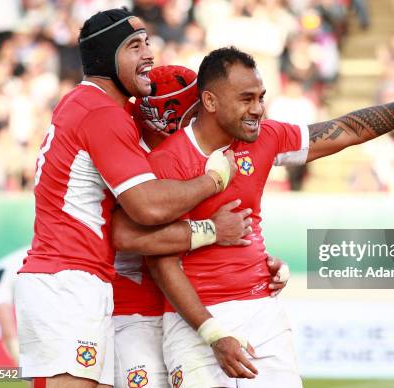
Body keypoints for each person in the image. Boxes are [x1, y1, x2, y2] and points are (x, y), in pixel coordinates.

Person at [115, 46, 394, 387]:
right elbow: (162, 264)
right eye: (246, 99)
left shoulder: (264, 137)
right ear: (209, 101)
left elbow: (346, 130)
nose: (258, 109)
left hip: (263, 311)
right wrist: (214, 334)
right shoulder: (166, 163)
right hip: (195, 323)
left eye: (260, 97)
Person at [13, 9, 245, 388]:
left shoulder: (91, 105)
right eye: (134, 46)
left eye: (148, 43)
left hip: (75, 280)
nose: (149, 55)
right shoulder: (101, 112)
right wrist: (212, 182)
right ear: (106, 57)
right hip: (67, 280)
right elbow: (148, 206)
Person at [110, 65, 290, 388]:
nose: (203, 114)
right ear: (169, 112)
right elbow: (127, 235)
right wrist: (212, 227)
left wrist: (261, 263)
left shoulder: (197, 151)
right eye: (193, 105)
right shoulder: (130, 157)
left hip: (178, 308)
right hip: (133, 309)